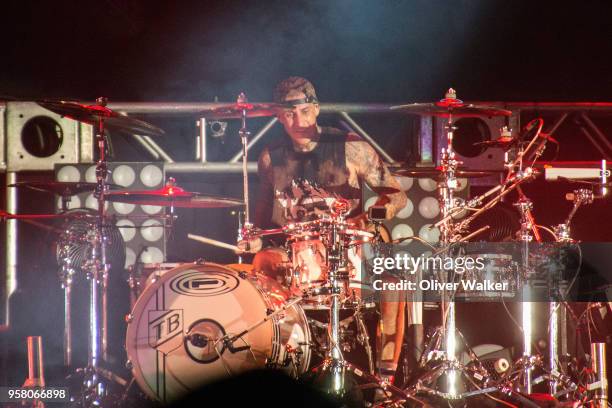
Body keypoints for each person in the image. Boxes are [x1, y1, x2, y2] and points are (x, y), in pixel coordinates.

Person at [245, 76, 408, 384]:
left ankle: (385, 381)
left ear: (317, 109)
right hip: (297, 250)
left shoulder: (351, 147)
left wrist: (367, 219)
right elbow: (263, 218)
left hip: (349, 245)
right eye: (289, 113)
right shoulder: (270, 157)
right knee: (261, 263)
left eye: (304, 111)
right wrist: (255, 238)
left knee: (393, 277)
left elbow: (397, 196)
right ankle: (279, 364)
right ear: (279, 116)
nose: (298, 120)